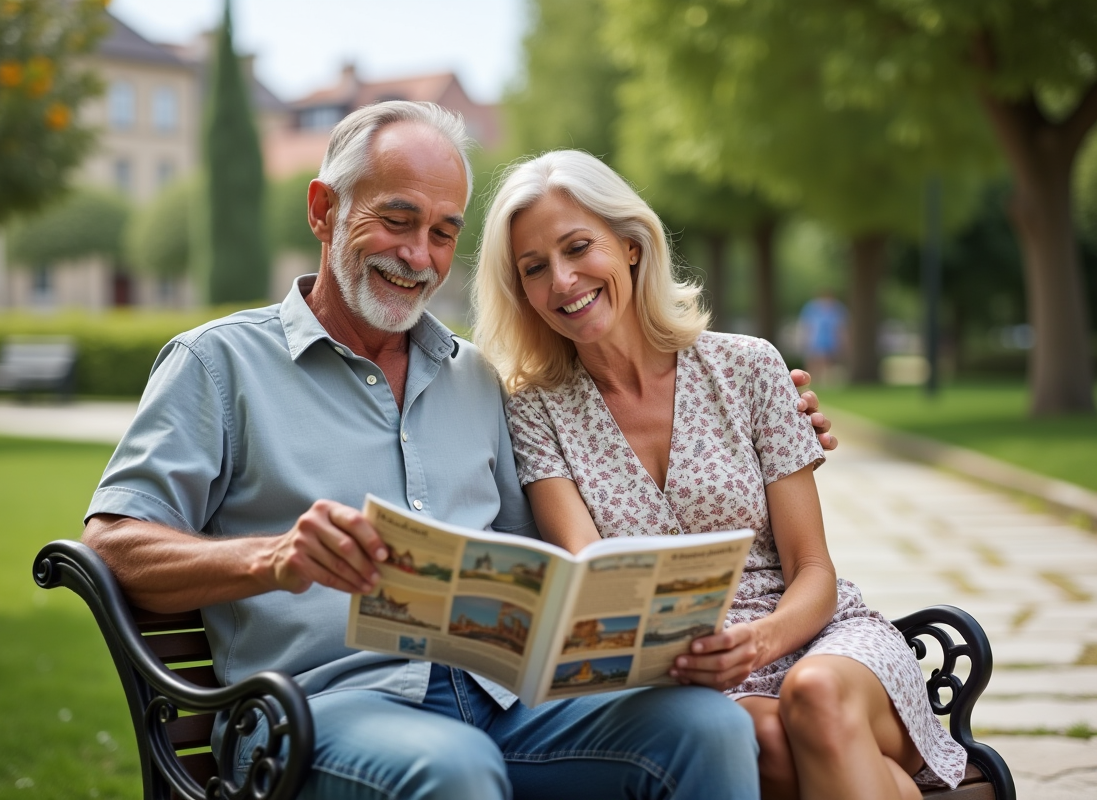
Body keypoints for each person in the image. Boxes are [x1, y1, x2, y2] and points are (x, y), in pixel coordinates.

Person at [81, 102, 831, 800]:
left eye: (443, 232)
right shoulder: (219, 366)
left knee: (708, 729)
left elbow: (550, 552)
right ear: (324, 211)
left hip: (508, 703)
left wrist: (776, 424)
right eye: (398, 220)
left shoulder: (475, 377)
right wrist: (272, 559)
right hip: (314, 714)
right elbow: (112, 545)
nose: (419, 255)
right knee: (456, 768)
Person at [471, 150, 967, 800]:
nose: (562, 280)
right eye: (535, 268)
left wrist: (761, 639)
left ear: (629, 244)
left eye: (577, 247)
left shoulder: (750, 366)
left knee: (814, 696)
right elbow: (597, 580)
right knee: (762, 741)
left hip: (817, 636)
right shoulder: (535, 411)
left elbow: (812, 567)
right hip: (688, 672)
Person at [796, 290, 848, 386]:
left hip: (830, 341)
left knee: (827, 362)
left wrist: (842, 342)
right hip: (815, 341)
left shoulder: (837, 309)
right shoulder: (811, 308)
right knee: (814, 361)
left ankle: (823, 383)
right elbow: (806, 325)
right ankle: (810, 382)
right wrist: (805, 339)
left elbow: (841, 327)